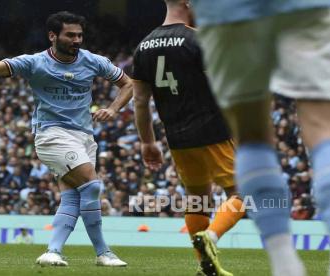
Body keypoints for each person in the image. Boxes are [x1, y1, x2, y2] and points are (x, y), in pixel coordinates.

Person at [0, 11, 132, 267]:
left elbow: (128, 84)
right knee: (91, 185)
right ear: (53, 36)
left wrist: (113, 108)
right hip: (51, 134)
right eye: (70, 35)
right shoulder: (35, 62)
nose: (76, 40)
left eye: (79, 35)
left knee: (73, 196)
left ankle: (53, 251)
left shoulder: (93, 61)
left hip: (84, 136)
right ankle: (103, 253)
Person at [190, 0, 330, 275]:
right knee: (322, 126)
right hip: (304, 6)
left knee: (251, 135)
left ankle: (284, 264)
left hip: (226, 10)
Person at [132, 1, 244, 275]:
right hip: (215, 131)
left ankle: (205, 267)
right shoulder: (200, 39)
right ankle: (212, 238)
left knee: (198, 200)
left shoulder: (143, 46)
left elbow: (140, 101)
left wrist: (148, 142)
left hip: (178, 137)